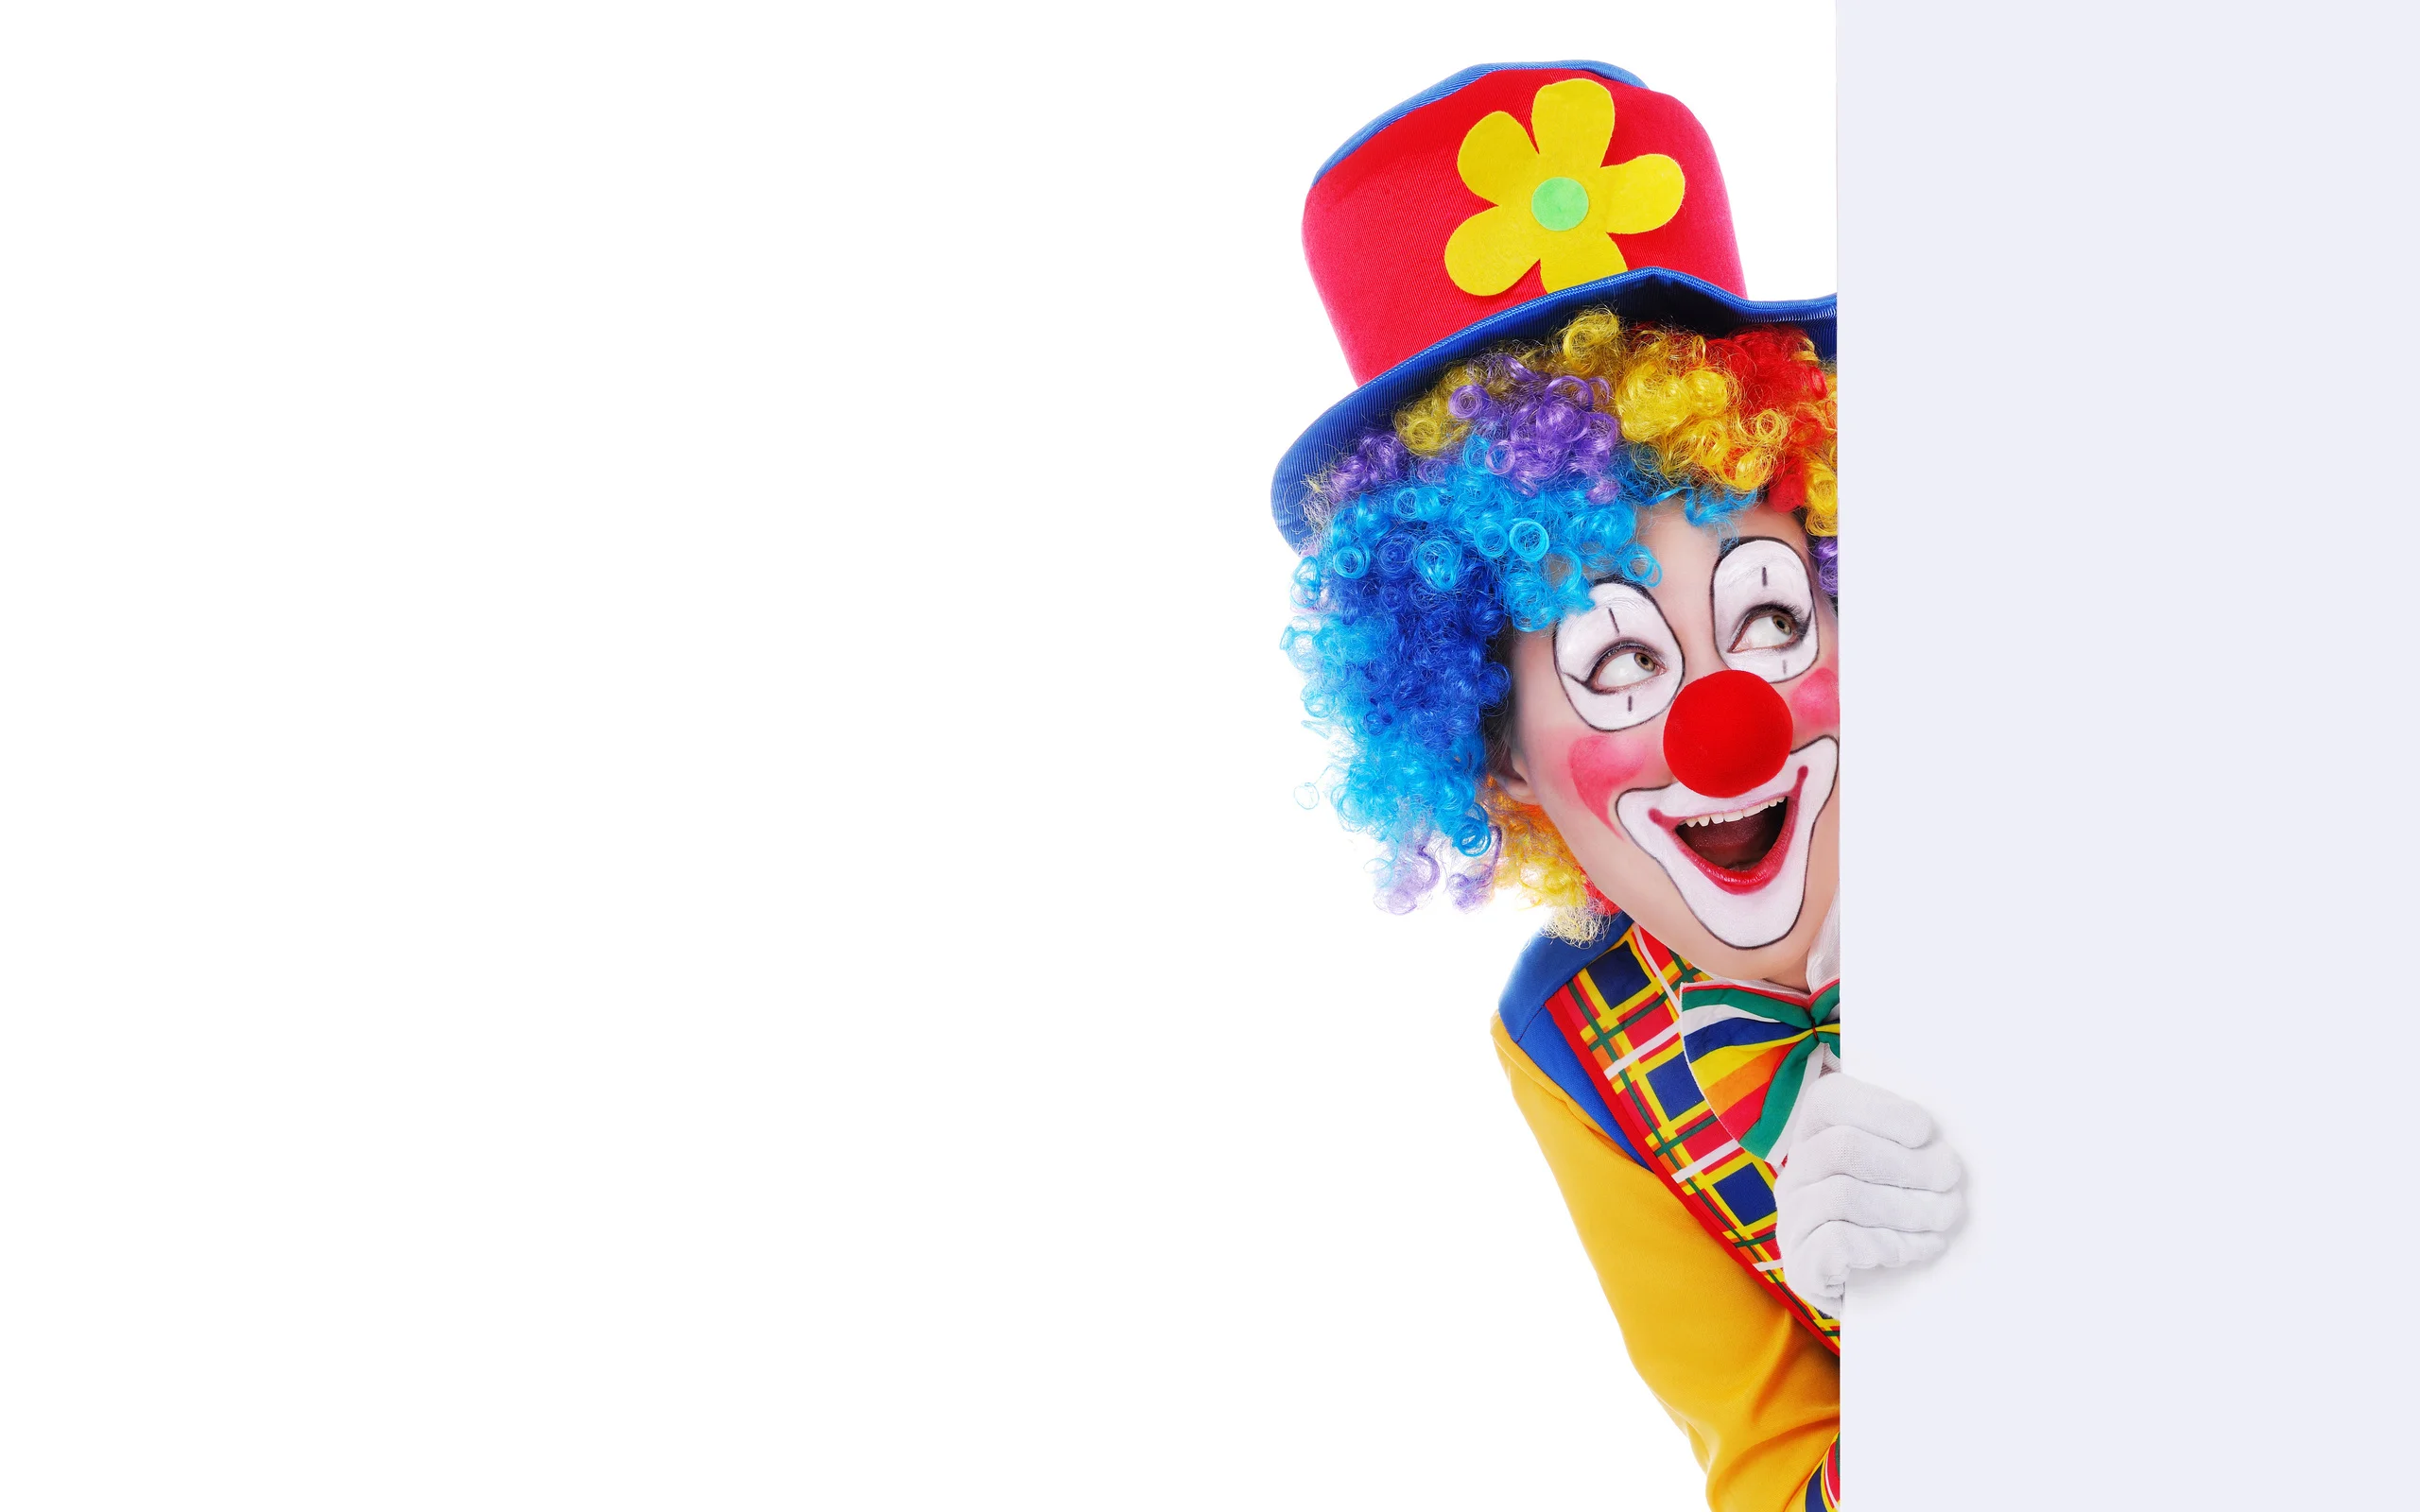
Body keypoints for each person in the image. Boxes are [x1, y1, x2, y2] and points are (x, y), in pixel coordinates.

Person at [1274, 63, 1964, 1511]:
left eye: (1769, 614)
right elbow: (1772, 1474)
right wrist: (1926, 1364)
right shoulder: (1572, 1042)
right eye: (1619, 662)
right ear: (1498, 751)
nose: (1727, 723)